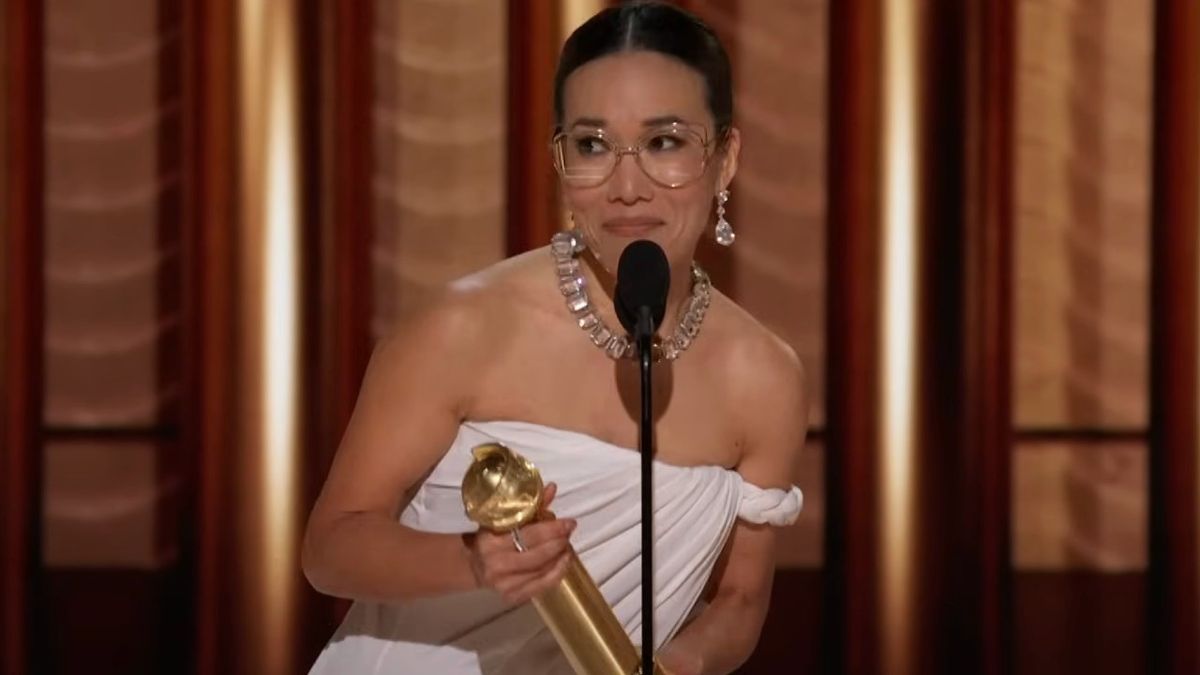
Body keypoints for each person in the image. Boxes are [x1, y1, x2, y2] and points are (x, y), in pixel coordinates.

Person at [303, 3, 807, 673]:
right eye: (593, 145)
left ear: (725, 159)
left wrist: (675, 665)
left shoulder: (765, 379)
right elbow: (330, 549)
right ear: (559, 158)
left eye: (664, 142)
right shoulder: (463, 328)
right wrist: (470, 562)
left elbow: (741, 598)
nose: (628, 187)